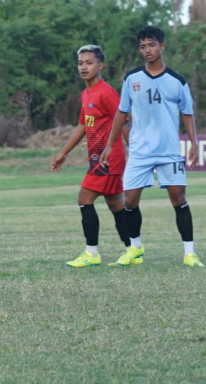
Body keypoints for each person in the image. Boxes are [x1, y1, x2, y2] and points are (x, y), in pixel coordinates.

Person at [100, 25, 203, 267]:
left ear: (161, 46)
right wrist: (109, 144)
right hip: (140, 150)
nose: (147, 50)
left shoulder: (177, 81)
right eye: (143, 46)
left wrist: (194, 144)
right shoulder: (131, 78)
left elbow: (188, 114)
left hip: (168, 149)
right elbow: (121, 113)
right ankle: (135, 249)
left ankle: (189, 253)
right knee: (130, 202)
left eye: (151, 45)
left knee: (178, 198)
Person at [51, 45, 133, 268]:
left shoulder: (106, 92)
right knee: (116, 205)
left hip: (109, 159)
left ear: (100, 65)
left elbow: (123, 119)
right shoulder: (86, 93)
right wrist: (63, 153)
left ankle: (91, 253)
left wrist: (134, 151)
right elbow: (82, 125)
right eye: (80, 63)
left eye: (89, 62)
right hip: (98, 159)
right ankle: (133, 248)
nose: (84, 67)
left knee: (84, 199)